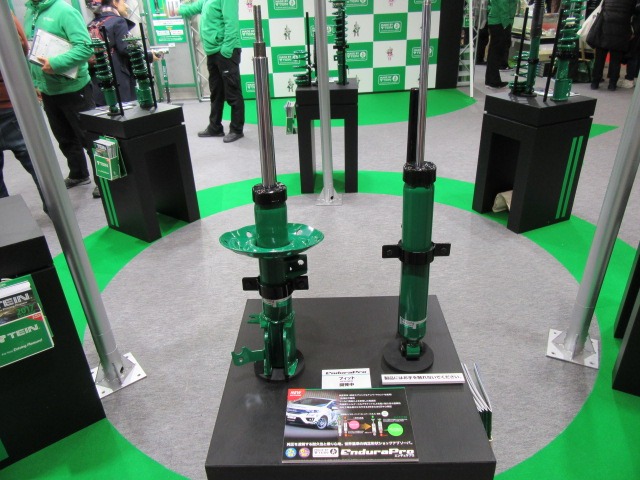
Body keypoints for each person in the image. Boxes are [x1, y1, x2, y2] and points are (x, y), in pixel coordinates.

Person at [24, 0, 99, 197]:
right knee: (64, 137)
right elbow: (31, 51)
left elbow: (85, 48)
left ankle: (104, 180)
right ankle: (78, 173)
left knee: (88, 137)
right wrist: (35, 82)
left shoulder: (64, 11)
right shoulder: (30, 12)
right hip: (48, 90)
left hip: (74, 88)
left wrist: (56, 63)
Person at [179, 0, 245, 143]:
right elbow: (192, 8)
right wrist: (178, 9)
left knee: (232, 92)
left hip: (225, 51)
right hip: (213, 52)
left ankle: (236, 129)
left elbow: (231, 23)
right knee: (216, 92)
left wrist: (226, 49)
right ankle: (215, 127)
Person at [0, 13, 45, 211]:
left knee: (36, 162)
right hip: (12, 102)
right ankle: (56, 210)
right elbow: (22, 48)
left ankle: (7, 218)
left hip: (11, 103)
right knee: (38, 163)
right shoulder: (4, 15)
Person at [87, 0, 159, 106]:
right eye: (123, 2)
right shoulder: (118, 21)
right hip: (118, 78)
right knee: (126, 110)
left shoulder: (92, 23)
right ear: (115, 2)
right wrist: (149, 56)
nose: (126, 6)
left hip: (97, 77)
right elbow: (125, 49)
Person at [589, 0, 637, 91]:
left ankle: (595, 83)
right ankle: (612, 84)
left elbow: (602, 7)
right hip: (621, 32)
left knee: (599, 60)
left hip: (604, 30)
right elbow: (633, 12)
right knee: (616, 61)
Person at [485, 0, 519, 89]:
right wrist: (506, 23)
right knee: (496, 52)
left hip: (497, 20)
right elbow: (503, 5)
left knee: (494, 51)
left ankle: (492, 80)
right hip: (500, 22)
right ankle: (492, 81)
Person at [618, 0, 640, 87]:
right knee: (637, 55)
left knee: (633, 55)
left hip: (636, 29)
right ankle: (635, 77)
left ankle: (629, 79)